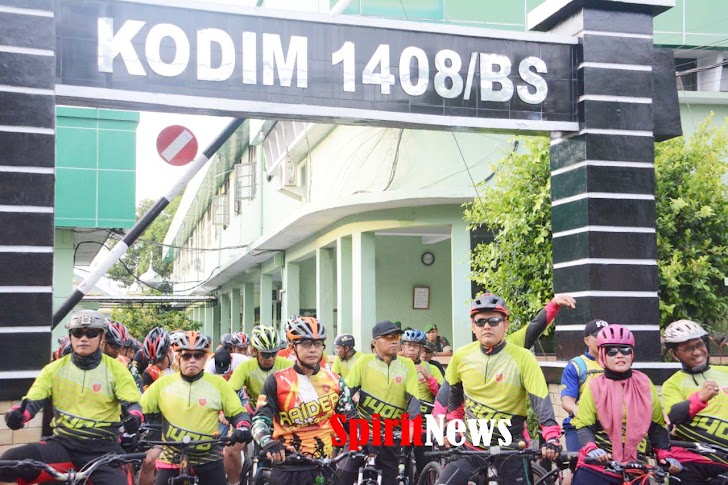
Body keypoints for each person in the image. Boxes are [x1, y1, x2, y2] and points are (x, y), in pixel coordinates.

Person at [0, 310, 142, 485]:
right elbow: (33, 399)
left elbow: (132, 403)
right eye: (77, 333)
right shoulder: (53, 369)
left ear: (101, 337)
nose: (84, 338)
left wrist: (135, 417)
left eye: (91, 333)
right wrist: (18, 414)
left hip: (103, 448)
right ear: (70, 336)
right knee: (8, 463)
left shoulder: (117, 370)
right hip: (63, 444)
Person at [437, 293, 562, 485]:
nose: (487, 326)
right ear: (473, 326)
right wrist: (452, 428)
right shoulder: (461, 356)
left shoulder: (523, 358)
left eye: (494, 320)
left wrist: (552, 437)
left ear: (506, 323)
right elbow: (454, 401)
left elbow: (541, 402)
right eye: (480, 322)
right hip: (472, 446)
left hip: (511, 447)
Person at [571, 324, 682, 485]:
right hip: (599, 467)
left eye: (625, 350)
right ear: (602, 354)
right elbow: (584, 426)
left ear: (632, 353)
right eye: (611, 351)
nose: (619, 355)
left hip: (636, 469)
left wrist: (664, 454)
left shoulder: (644, 383)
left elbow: (656, 426)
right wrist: (591, 448)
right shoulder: (594, 386)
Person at [252, 317, 359, 483]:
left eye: (317, 344)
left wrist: (366, 440)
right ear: (292, 348)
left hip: (323, 466)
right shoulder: (277, 381)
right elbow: (259, 420)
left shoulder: (336, 381)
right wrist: (268, 442)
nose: (313, 350)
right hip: (287, 466)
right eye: (306, 344)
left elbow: (351, 419)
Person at [140, 331, 253, 485]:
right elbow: (141, 410)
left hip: (208, 456)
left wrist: (243, 426)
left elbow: (237, 413)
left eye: (198, 356)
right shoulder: (162, 384)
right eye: (187, 356)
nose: (192, 360)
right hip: (172, 455)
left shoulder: (218, 384)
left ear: (205, 358)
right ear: (179, 357)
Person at [340, 320, 421, 485]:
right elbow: (345, 395)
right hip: (363, 432)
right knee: (343, 474)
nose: (394, 340)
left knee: (390, 479)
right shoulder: (364, 362)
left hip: (393, 434)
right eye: (388, 337)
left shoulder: (407, 365)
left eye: (397, 336)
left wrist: (412, 427)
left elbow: (413, 401)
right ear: (375, 343)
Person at [661, 319, 728, 483]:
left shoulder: (725, 372)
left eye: (700, 345)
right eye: (688, 349)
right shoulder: (672, 384)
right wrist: (700, 398)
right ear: (675, 354)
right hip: (691, 459)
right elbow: (674, 416)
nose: (697, 352)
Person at [400, 329, 443, 481]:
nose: (411, 349)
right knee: (400, 466)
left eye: (415, 346)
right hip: (401, 423)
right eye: (408, 345)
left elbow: (443, 395)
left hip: (424, 424)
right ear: (403, 347)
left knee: (424, 466)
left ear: (421, 349)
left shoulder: (431, 368)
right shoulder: (396, 366)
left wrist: (428, 376)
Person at [560, 319, 607, 451]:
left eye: (606, 336)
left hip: (609, 428)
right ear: (587, 340)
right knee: (581, 467)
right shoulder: (576, 365)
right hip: (580, 426)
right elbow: (567, 401)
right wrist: (579, 412)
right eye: (598, 336)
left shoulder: (616, 363)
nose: (603, 340)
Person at [229, 325, 294, 407]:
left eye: (274, 353)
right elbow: (229, 392)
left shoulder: (287, 365)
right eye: (265, 354)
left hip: (283, 410)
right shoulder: (245, 367)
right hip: (256, 411)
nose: (270, 358)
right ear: (254, 351)